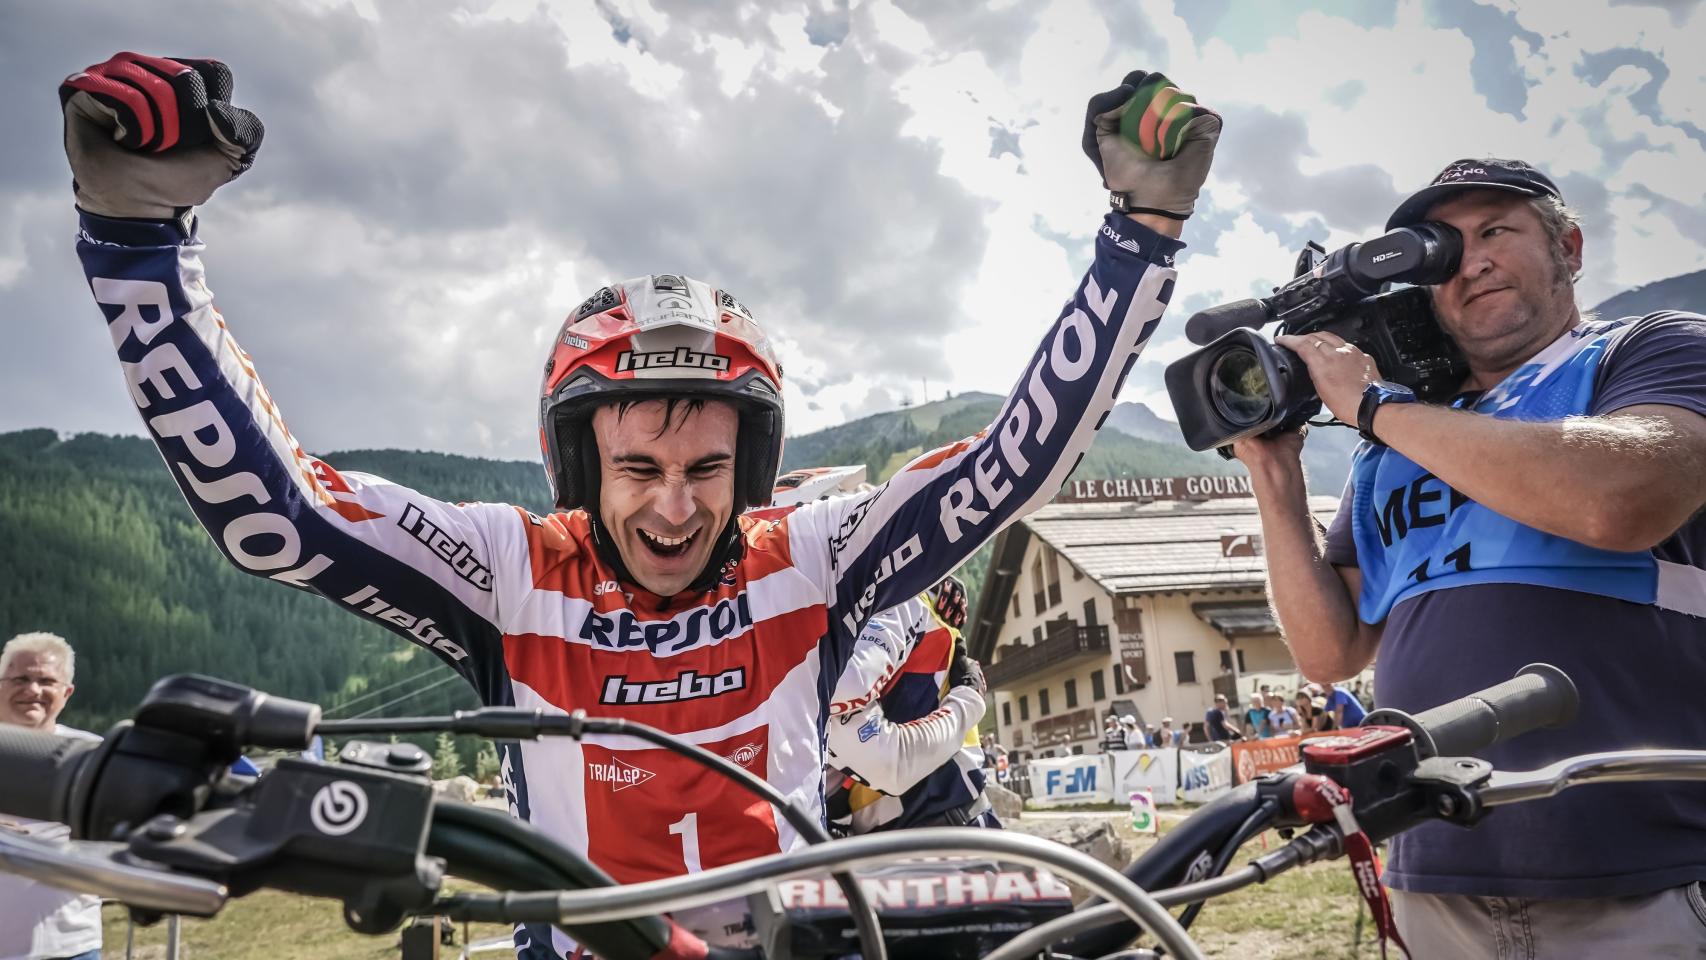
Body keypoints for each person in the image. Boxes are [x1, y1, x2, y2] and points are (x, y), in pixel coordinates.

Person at [54, 53, 1219, 957]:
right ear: (579, 466)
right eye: (638, 471)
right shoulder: (509, 567)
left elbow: (1017, 461)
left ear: (749, 468)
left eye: (705, 470)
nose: (672, 508)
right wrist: (138, 241)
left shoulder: (807, 552)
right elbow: (277, 517)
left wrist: (1139, 237)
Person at [1235, 156, 1706, 956]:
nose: (1471, 260)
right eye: (1441, 249)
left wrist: (1377, 405)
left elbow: (1620, 498)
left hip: (1641, 864)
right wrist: (1274, 475)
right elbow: (1330, 650)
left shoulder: (1653, 348)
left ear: (1572, 249)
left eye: (1496, 230)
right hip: (1435, 863)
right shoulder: (1395, 439)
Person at [825, 577, 997, 832]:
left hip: (950, 828)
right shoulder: (910, 594)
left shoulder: (904, 598)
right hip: (925, 833)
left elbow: (851, 686)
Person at [0, 633, 101, 960]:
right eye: (21, 678)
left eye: (46, 680)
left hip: (71, 947)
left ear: (66, 692)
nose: (33, 691)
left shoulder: (93, 756)